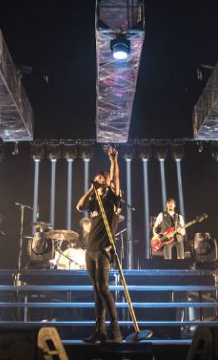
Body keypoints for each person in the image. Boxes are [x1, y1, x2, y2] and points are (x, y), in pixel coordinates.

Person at [75, 146, 123, 343]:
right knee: (96, 290)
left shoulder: (113, 198)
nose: (100, 180)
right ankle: (99, 330)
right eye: (98, 178)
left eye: (103, 178)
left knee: (103, 287)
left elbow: (116, 177)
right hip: (90, 250)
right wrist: (91, 189)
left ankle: (116, 331)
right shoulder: (94, 201)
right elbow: (79, 206)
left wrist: (113, 161)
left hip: (104, 250)